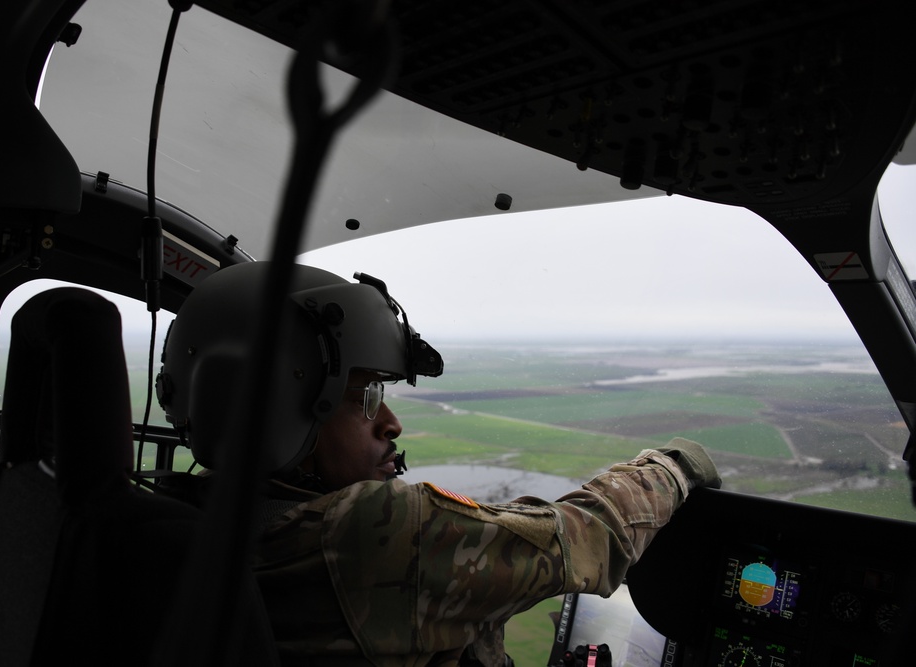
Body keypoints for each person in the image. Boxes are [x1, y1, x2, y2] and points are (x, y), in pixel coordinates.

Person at [157, 261, 721, 667]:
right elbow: (583, 537)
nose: (391, 424)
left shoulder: (174, 524)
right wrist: (676, 466)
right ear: (281, 406)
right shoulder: (372, 535)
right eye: (367, 396)